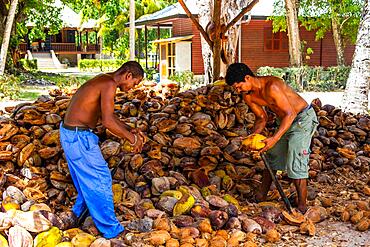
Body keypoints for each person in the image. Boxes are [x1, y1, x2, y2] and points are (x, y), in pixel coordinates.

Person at [59, 61, 145, 239]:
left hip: (71, 134)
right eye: (134, 83)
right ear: (128, 75)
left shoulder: (104, 80)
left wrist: (129, 129)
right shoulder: (109, 84)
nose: (131, 88)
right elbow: (107, 122)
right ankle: (111, 230)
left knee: (87, 180)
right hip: (78, 138)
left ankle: (76, 215)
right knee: (100, 178)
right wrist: (132, 139)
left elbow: (109, 116)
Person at [225, 63, 318, 213]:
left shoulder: (272, 86)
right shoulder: (248, 95)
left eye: (238, 86)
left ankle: (302, 207)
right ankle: (261, 196)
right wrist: (252, 139)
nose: (237, 90)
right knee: (272, 155)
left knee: (296, 158)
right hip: (284, 121)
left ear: (247, 78)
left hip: (302, 118)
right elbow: (262, 118)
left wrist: (274, 138)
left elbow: (291, 113)